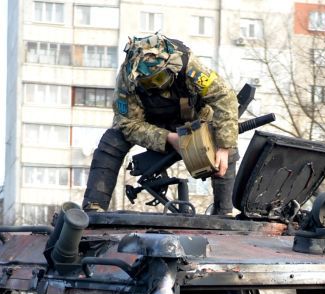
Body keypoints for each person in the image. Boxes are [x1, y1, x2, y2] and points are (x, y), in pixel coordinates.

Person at [83, 33, 240, 215]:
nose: (156, 86)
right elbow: (126, 123)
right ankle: (93, 207)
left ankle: (224, 211)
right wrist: (168, 138)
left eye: (158, 79)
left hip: (193, 119)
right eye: (148, 82)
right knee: (112, 140)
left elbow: (224, 97)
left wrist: (224, 147)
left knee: (223, 136)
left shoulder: (188, 66)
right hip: (152, 124)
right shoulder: (128, 78)